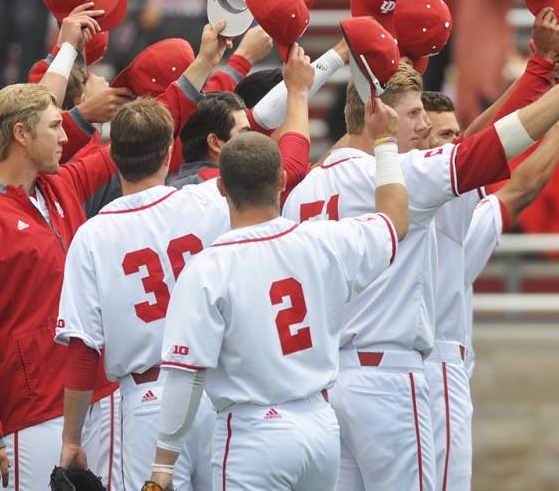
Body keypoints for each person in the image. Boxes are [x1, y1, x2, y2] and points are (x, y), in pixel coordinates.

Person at [283, 40, 559, 491]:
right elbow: (490, 148)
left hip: (323, 382)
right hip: (389, 376)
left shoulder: (304, 191)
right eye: (415, 114)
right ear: (378, 112)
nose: (422, 128)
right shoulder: (398, 175)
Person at [57, 44, 318, 491]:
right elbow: (287, 167)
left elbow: (83, 352)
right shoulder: (206, 199)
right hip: (214, 394)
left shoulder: (93, 235)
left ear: (114, 156)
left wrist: (71, 439)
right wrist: (297, 95)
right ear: (168, 152)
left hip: (147, 404)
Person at [144, 105, 409, 491]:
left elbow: (186, 374)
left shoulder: (208, 267)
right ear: (284, 180)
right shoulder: (325, 239)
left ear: (222, 188)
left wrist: (164, 463)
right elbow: (395, 221)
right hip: (320, 428)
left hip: (254, 434)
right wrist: (385, 143)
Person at [0, 83, 122, 491]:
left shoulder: (59, 187)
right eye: (55, 127)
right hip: (32, 411)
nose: (64, 138)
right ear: (21, 134)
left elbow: (133, 144)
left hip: (94, 393)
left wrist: (201, 69)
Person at [419, 91, 559, 491]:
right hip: (429, 366)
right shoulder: (441, 206)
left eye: (453, 134)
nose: (452, 143)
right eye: (441, 135)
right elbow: (511, 180)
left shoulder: (377, 194)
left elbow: (509, 181)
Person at [170, 92, 249, 187]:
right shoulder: (235, 190)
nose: (253, 141)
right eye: (244, 134)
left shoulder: (171, 192)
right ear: (215, 143)